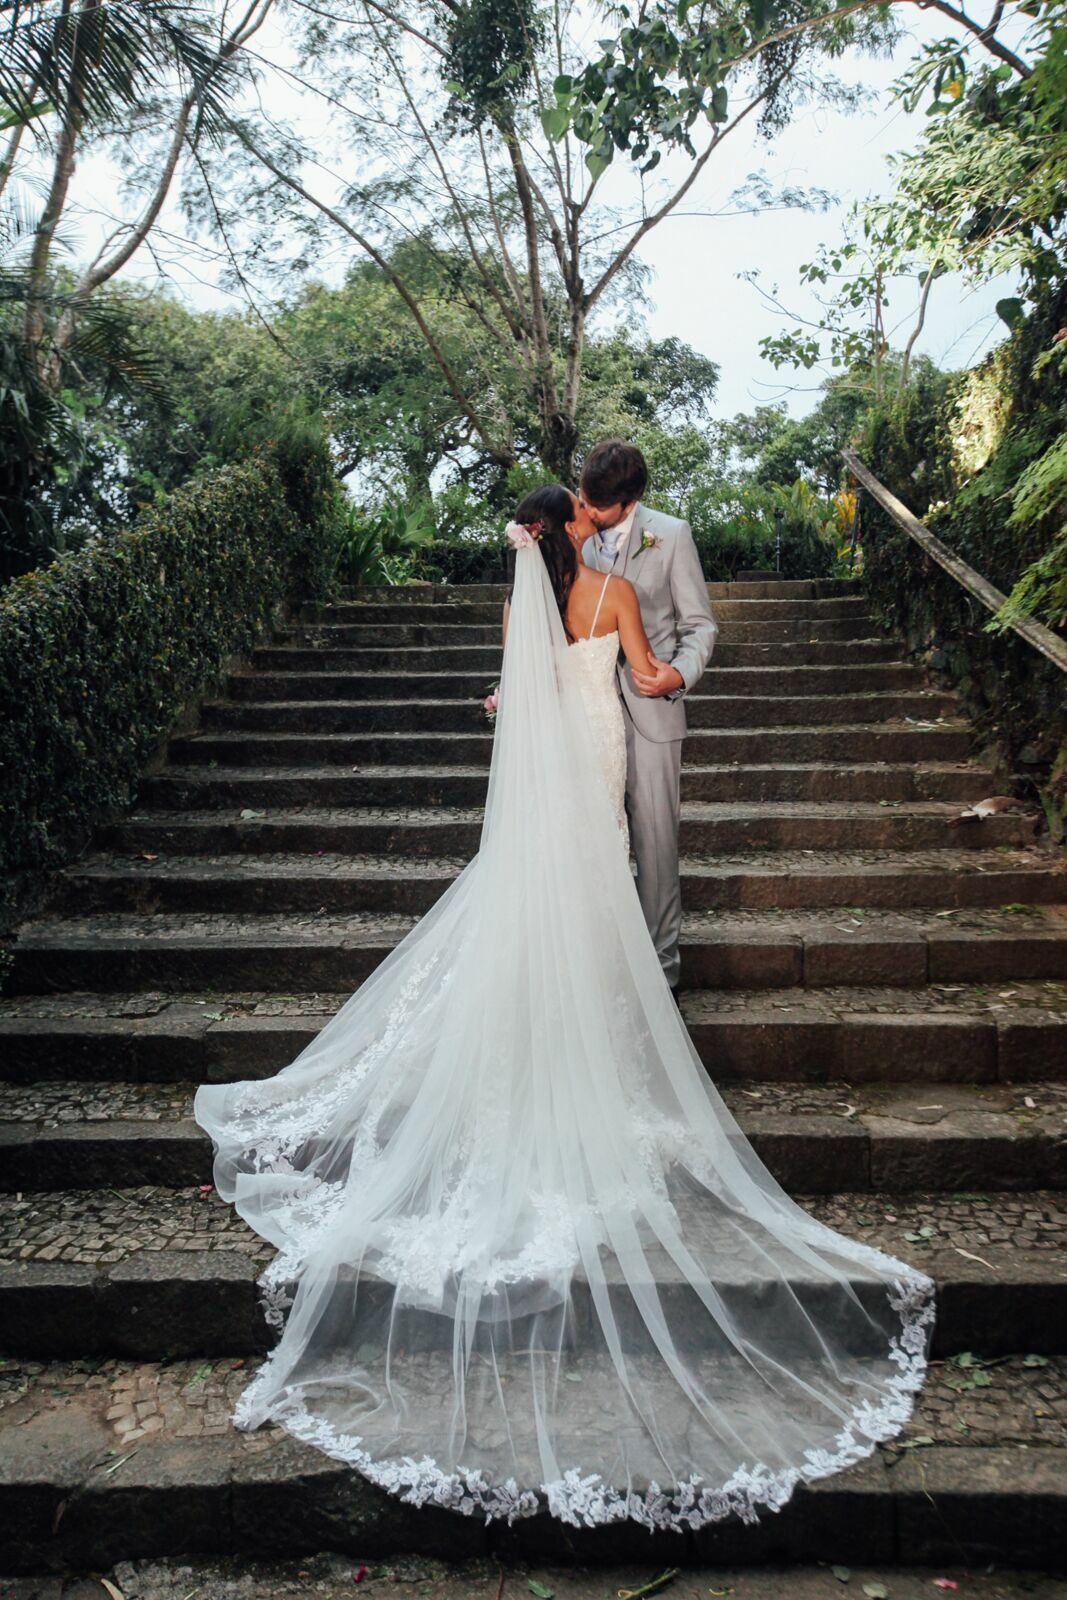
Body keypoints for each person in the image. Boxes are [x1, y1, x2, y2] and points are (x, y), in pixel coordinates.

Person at [194, 484, 934, 1534]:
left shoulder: (521, 606)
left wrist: (510, 702)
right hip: (594, 756)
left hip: (538, 773)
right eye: (582, 514)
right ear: (575, 526)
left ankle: (525, 1039)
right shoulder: (615, 588)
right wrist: (662, 675)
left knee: (530, 894)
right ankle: (587, 1039)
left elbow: (515, 687)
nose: (594, 521)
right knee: (596, 896)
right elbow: (641, 675)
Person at [578, 441, 717, 996]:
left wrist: (677, 675)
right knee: (591, 839)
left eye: (599, 505)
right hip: (587, 710)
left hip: (653, 711)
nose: (587, 510)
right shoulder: (573, 531)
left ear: (631, 500)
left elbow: (700, 625)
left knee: (657, 843)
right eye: (584, 497)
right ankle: (599, 962)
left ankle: (661, 974)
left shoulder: (673, 535)